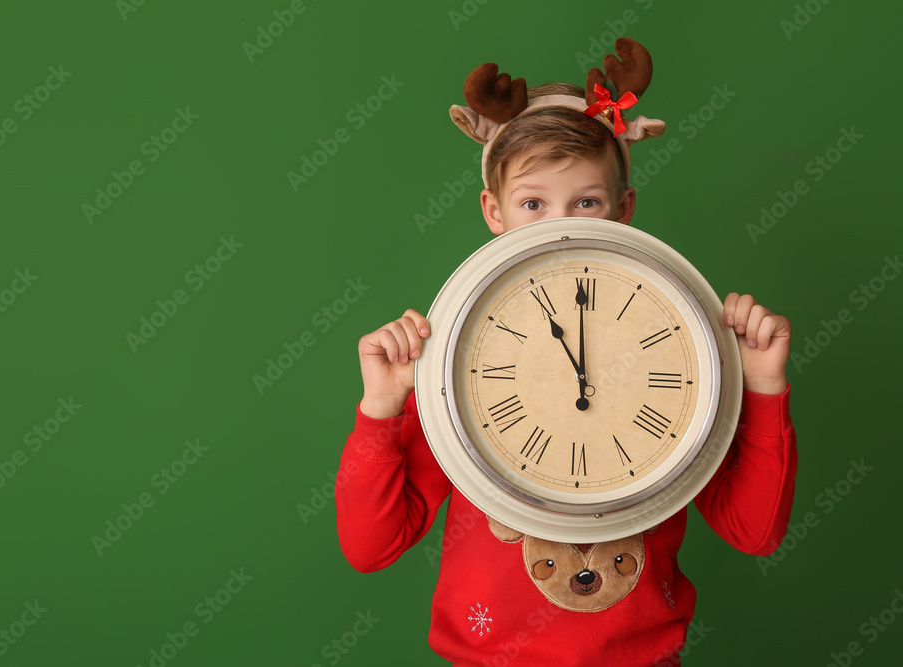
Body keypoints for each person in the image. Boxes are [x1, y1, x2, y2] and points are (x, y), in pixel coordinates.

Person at [336, 39, 796, 666]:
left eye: (586, 202)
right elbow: (371, 547)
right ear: (493, 212)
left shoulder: (689, 348)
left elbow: (754, 532)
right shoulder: (448, 364)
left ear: (623, 211)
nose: (561, 225)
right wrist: (381, 408)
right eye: (533, 204)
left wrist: (763, 389)